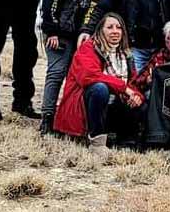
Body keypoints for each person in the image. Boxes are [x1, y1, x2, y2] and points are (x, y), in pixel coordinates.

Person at [39, 0, 107, 134]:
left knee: (78, 78)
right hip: (60, 32)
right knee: (56, 73)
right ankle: (47, 117)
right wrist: (51, 31)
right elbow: (49, 1)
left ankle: (70, 119)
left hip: (84, 34)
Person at [53, 13, 144, 154]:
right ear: (101, 30)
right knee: (100, 88)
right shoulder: (88, 48)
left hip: (112, 106)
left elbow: (134, 83)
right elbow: (89, 76)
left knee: (139, 100)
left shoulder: (126, 53)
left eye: (119, 27)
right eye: (110, 27)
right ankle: (96, 142)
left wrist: (137, 95)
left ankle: (127, 140)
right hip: (86, 106)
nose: (115, 31)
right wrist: (124, 88)